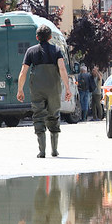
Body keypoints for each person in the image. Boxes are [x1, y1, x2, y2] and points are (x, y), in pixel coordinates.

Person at [16, 25, 72, 157]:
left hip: (37, 88)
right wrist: (67, 88)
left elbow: (23, 71)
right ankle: (54, 150)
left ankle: (41, 151)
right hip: (53, 88)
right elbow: (62, 69)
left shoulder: (30, 51)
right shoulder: (57, 50)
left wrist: (20, 90)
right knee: (54, 115)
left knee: (38, 116)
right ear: (50, 37)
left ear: (37, 37)